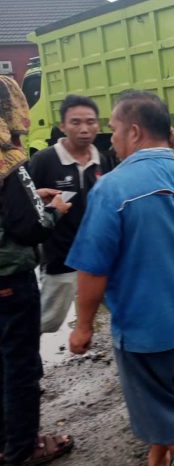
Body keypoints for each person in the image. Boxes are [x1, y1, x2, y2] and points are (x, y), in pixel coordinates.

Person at [66, 91, 174, 466]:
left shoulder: (113, 188)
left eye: (114, 130)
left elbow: (93, 267)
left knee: (161, 415)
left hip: (145, 327)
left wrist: (83, 326)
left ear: (134, 132)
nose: (111, 140)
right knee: (173, 403)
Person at [0, 75, 74, 466]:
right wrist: (53, 212)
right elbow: (26, 229)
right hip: (9, 279)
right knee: (21, 366)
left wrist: (33, 201)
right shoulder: (8, 161)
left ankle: (6, 440)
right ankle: (24, 448)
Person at [29, 95, 108, 333]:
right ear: (62, 125)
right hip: (61, 259)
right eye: (75, 122)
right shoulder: (44, 160)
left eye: (91, 122)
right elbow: (25, 206)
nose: (84, 129)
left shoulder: (102, 160)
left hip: (98, 260)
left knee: (123, 309)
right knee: (44, 322)